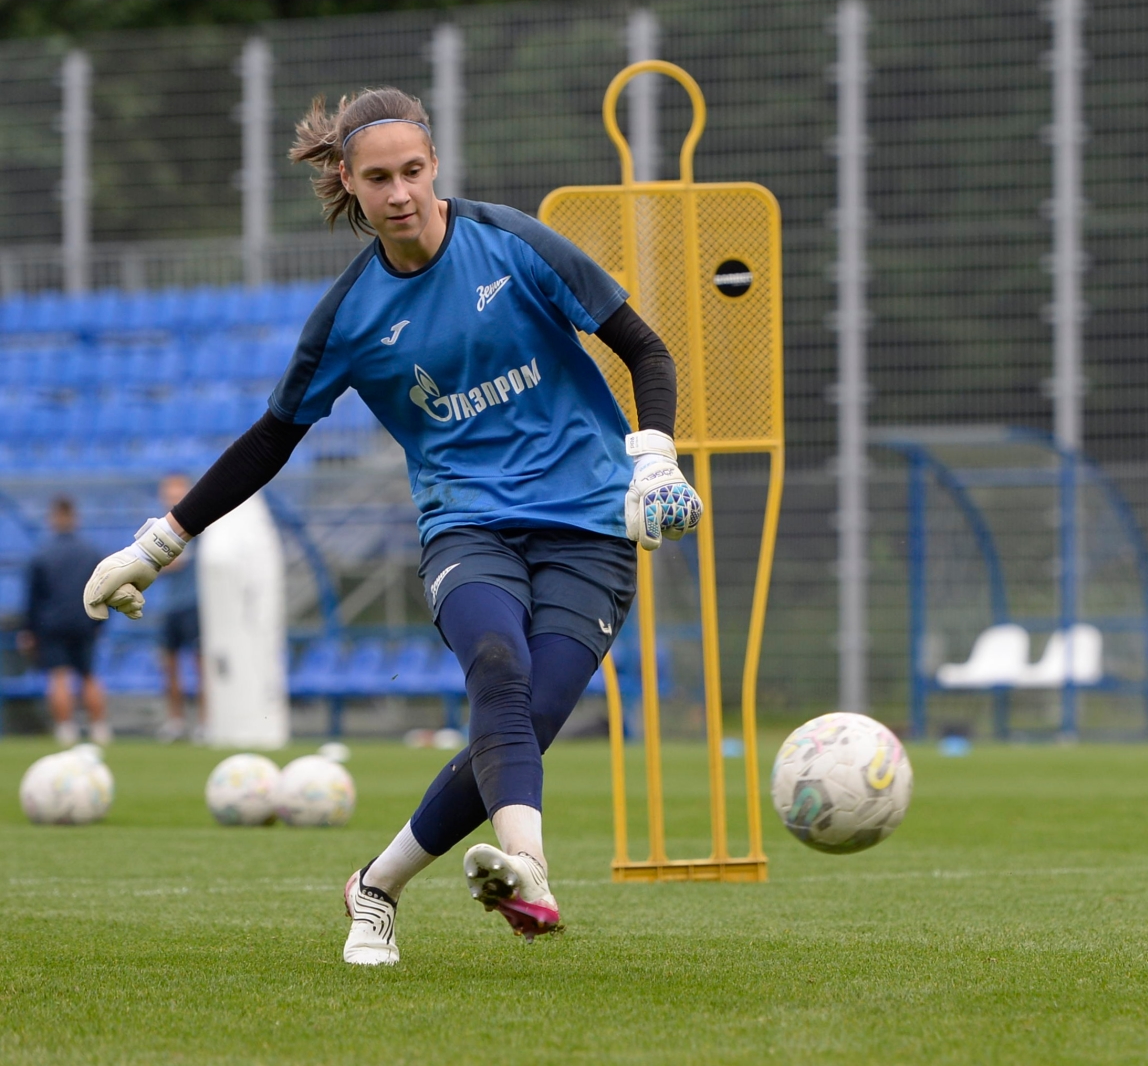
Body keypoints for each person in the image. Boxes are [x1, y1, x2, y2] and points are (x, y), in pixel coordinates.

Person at [81, 87, 699, 964]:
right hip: (469, 526)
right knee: (499, 671)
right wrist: (155, 546)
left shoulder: (513, 244)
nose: (400, 191)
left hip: (591, 527)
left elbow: (644, 347)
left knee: (530, 717)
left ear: (435, 164)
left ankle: (375, 885)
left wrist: (655, 457)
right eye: (379, 178)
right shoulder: (349, 316)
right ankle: (530, 868)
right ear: (349, 182)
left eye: (413, 170)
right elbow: (271, 440)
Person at [22, 497, 110, 746]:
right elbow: (105, 590)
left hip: (52, 625)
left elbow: (33, 598)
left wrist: (29, 629)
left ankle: (66, 729)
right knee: (89, 675)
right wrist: (100, 624)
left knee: (59, 676)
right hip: (85, 622)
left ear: (53, 518)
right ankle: (99, 728)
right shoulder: (91, 552)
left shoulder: (41, 554)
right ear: (75, 517)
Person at [154, 473, 205, 744]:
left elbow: (172, 563)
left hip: (194, 604)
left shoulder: (197, 525)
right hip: (171, 606)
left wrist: (151, 560)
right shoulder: (164, 528)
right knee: (170, 665)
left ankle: (205, 722)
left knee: (200, 665)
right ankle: (176, 721)